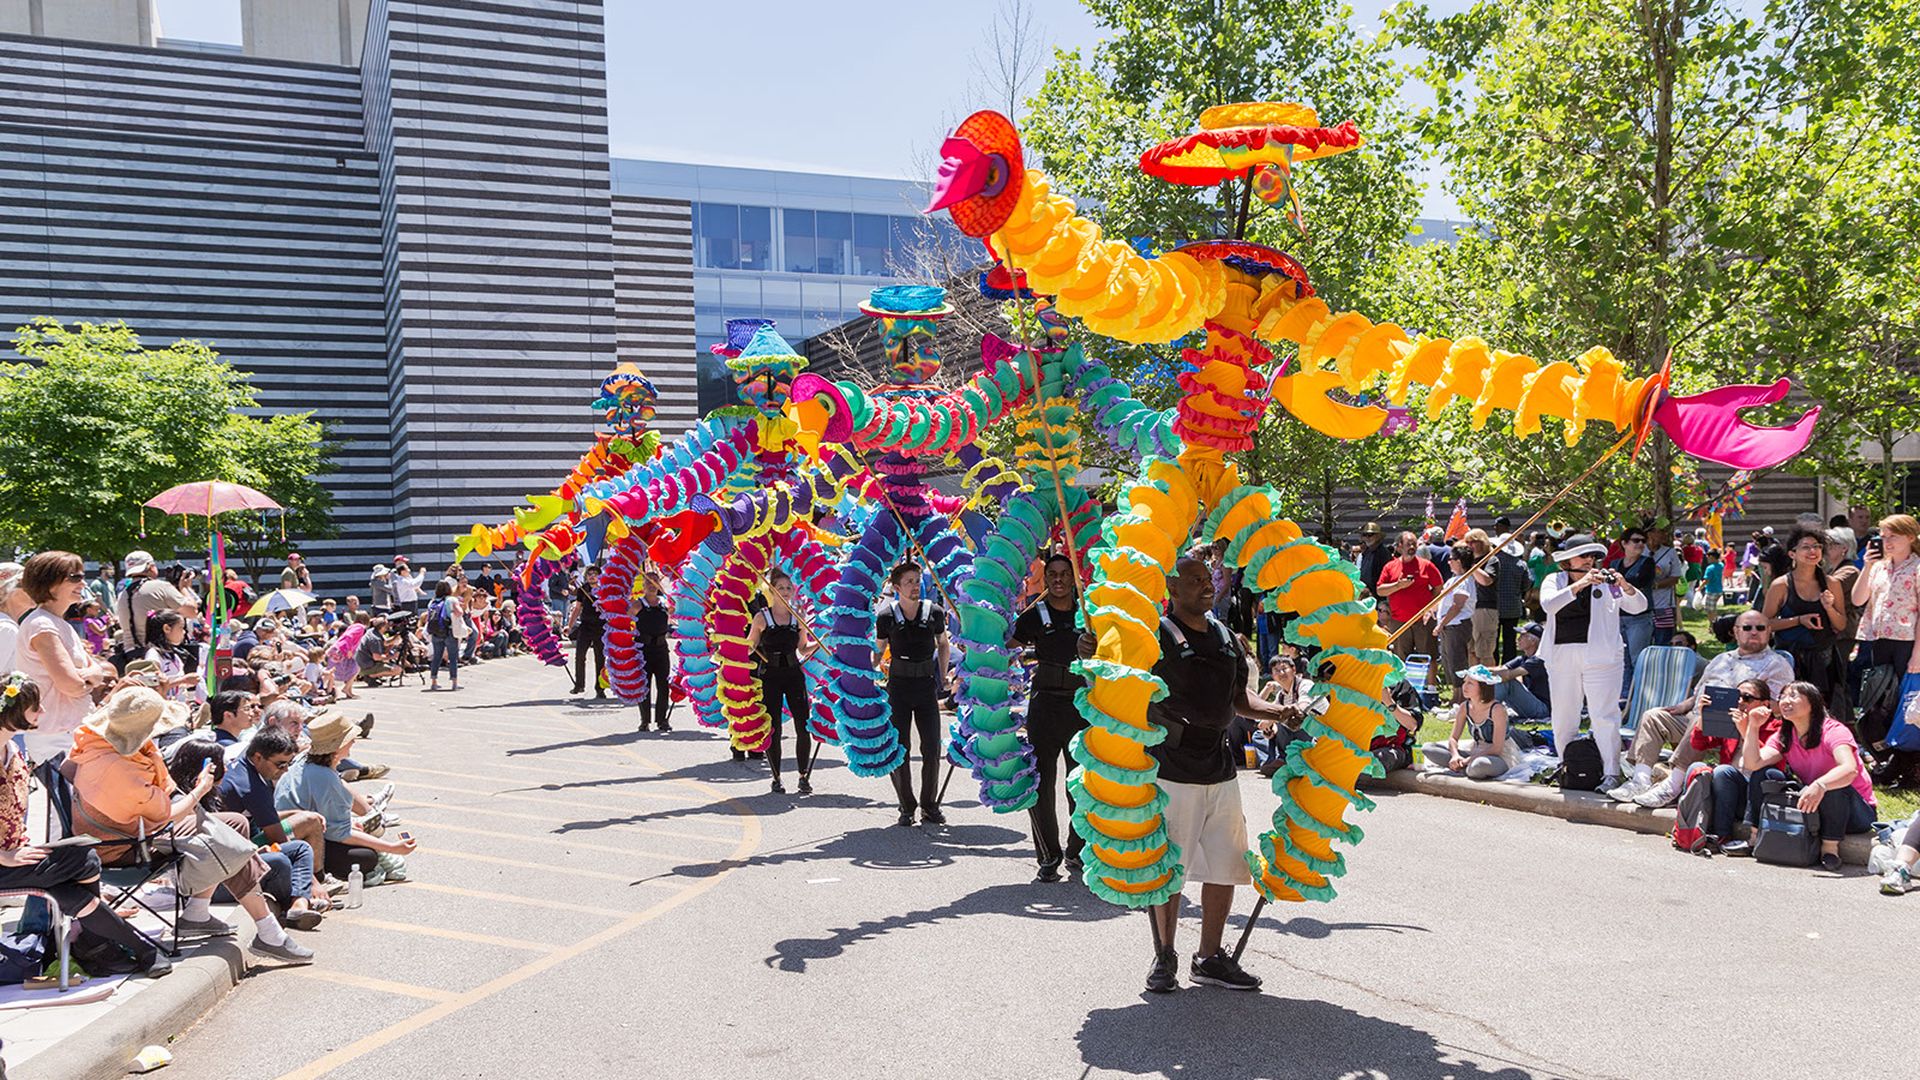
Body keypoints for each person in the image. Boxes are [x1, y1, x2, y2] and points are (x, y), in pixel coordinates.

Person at [1078, 555, 1293, 994]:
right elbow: (1117, 673)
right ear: (1171, 590)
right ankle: (1164, 955)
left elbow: (1237, 698)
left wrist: (1278, 711)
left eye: (1206, 578)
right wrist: (1094, 651)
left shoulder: (1227, 636)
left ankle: (1209, 958)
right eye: (1193, 580)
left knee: (1226, 865)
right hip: (1171, 767)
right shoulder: (1153, 635)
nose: (1205, 585)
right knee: (1168, 868)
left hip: (1220, 767)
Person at [67, 687, 314, 964]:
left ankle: (197, 912)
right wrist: (200, 790)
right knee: (227, 842)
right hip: (124, 845)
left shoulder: (97, 743)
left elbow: (69, 769)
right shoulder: (121, 769)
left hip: (131, 827)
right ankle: (269, 932)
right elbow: (166, 815)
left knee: (235, 824)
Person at [0, 675, 172, 977]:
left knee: (76, 876)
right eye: (35, 707)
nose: (42, 712)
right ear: (13, 711)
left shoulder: (12, 749)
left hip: (17, 854)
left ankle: (104, 948)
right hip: (5, 861)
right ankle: (120, 949)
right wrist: (3, 855)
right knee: (83, 858)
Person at [1610, 611, 1794, 805]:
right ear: (1736, 632)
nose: (1754, 632)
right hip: (1698, 718)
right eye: (1747, 628)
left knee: (1704, 718)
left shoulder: (1777, 665)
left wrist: (1740, 702)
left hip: (1738, 729)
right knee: (1653, 716)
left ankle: (1672, 785)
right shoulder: (1720, 660)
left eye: (1760, 628)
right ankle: (1640, 780)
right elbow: (1698, 693)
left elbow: (1778, 708)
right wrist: (1682, 706)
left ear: (1769, 632)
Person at [1727, 681, 1875, 871]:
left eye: (1793, 696)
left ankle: (1830, 849)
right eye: (1782, 697)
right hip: (1814, 805)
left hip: (1855, 812)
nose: (1785, 701)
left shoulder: (1833, 730)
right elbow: (1753, 763)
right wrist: (1753, 727)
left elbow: (1849, 769)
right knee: (1764, 774)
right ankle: (1755, 838)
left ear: (1813, 702)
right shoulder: (1785, 734)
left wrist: (1820, 784)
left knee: (1834, 784)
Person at [1539, 534, 1646, 787]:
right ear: (1568, 560)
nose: (1590, 561)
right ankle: (1568, 767)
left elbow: (1638, 606)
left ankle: (1611, 772)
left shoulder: (1606, 581)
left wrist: (1625, 586)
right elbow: (1548, 605)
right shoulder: (1554, 579)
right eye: (1584, 556)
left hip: (1603, 657)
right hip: (1562, 655)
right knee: (1564, 715)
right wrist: (1580, 585)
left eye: (1593, 556)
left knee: (1604, 715)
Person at [1009, 555, 1087, 881]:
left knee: (1081, 785)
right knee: (1041, 782)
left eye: (1064, 574)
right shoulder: (1035, 615)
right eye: (1052, 574)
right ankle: (1048, 855)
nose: (1057, 580)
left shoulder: (1089, 614)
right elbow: (1006, 645)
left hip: (1080, 705)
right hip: (1044, 703)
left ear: (1073, 578)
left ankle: (1077, 850)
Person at [275, 712, 414, 882]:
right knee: (366, 857)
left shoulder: (305, 761)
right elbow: (341, 834)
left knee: (363, 849)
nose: (354, 742)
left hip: (290, 832)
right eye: (350, 739)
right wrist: (392, 847)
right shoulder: (324, 776)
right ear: (337, 747)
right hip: (304, 840)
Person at [216, 726, 331, 926]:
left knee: (305, 820)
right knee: (298, 850)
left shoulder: (244, 768)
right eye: (280, 764)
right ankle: (303, 898)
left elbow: (265, 816)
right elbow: (277, 838)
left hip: (235, 847)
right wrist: (313, 882)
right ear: (259, 757)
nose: (285, 770)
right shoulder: (252, 787)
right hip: (229, 865)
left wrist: (295, 813)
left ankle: (301, 901)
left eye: (288, 764)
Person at [16, 551, 118, 762]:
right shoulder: (42, 625)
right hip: (55, 737)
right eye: (75, 577)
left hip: (71, 731)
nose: (83, 582)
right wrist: (90, 677)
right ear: (49, 582)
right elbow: (71, 685)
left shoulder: (58, 623)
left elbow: (97, 671)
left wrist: (90, 676)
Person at [876, 562, 950, 827]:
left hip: (926, 685)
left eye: (917, 581)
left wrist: (944, 677)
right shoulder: (886, 615)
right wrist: (858, 667)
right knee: (900, 749)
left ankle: (929, 805)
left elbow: (943, 644)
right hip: (898, 687)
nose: (915, 586)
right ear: (896, 588)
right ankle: (906, 805)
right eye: (909, 582)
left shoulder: (934, 612)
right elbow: (877, 652)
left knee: (931, 748)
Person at [747, 570, 817, 795]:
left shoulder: (797, 616)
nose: (786, 591)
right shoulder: (761, 617)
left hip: (794, 674)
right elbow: (750, 646)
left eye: (789, 587)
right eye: (782, 587)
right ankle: (776, 777)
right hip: (771, 675)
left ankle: (803, 776)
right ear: (772, 589)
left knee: (803, 725)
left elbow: (803, 648)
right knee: (773, 728)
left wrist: (820, 643)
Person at [1761, 526, 1846, 709]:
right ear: (1792, 554)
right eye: (1805, 547)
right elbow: (1765, 624)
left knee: (1822, 711)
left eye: (1817, 546)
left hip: (1824, 659)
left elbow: (1841, 624)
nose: (1812, 551)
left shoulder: (1832, 583)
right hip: (1790, 659)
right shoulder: (1781, 585)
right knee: (1791, 709)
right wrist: (1799, 620)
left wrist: (1829, 608)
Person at [1697, 678, 1786, 853]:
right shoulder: (1729, 721)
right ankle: (1721, 836)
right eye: (1737, 696)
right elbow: (1699, 744)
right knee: (1720, 771)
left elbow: (1764, 761)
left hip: (1759, 797)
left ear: (1765, 704)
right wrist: (1703, 716)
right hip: (1729, 793)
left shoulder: (1777, 728)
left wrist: (1746, 729)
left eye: (1747, 698)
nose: (1740, 702)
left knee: (1736, 771)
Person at [1421, 667, 1515, 779]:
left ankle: (1464, 768)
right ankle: (1461, 766)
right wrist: (1455, 755)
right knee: (1428, 748)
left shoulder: (1497, 710)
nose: (1464, 686)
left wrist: (1469, 760)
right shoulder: (1464, 707)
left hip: (1497, 756)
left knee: (1478, 766)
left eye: (1470, 683)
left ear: (1483, 687)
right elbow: (1453, 738)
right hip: (1473, 751)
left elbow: (1496, 748)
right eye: (1465, 682)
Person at [1376, 531, 1442, 681]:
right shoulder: (1390, 566)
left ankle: (1430, 688)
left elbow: (1439, 589)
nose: (1412, 547)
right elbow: (1380, 590)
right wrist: (1398, 585)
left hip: (1422, 620)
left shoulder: (1427, 566)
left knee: (1428, 654)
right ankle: (1403, 688)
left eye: (1414, 543)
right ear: (1399, 547)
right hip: (1399, 620)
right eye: (1408, 544)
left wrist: (1430, 608)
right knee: (1400, 657)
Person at [112, 550, 194, 659]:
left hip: (130, 655)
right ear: (151, 567)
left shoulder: (123, 594)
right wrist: (184, 588)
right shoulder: (160, 587)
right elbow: (192, 612)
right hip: (158, 656)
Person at [1608, 527, 1658, 687]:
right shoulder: (1615, 564)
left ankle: (1641, 694)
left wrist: (1622, 583)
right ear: (1624, 543)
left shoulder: (1648, 562)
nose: (1641, 544)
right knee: (1622, 660)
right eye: (1636, 540)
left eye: (1643, 541)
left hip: (1640, 619)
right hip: (1618, 617)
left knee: (1639, 659)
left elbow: (1642, 582)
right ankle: (1625, 696)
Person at [1432, 546, 1475, 700]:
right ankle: (1455, 696)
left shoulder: (1465, 580)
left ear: (1459, 561)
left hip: (1457, 625)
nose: (1448, 562)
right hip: (1448, 625)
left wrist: (1441, 623)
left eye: (1451, 559)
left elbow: (1457, 605)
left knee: (1457, 661)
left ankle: (1461, 698)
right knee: (1448, 660)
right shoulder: (1452, 580)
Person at [633, 574, 672, 731]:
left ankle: (662, 720)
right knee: (644, 685)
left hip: (661, 649)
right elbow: (622, 620)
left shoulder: (665, 603)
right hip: (644, 649)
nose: (651, 585)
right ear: (642, 585)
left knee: (663, 685)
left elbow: (677, 611)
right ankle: (645, 720)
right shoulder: (638, 605)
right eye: (648, 582)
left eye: (655, 582)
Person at [1490, 622, 1551, 721]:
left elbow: (1509, 675)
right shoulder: (1522, 658)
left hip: (1542, 709)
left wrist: (1484, 674)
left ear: (1533, 641)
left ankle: (1487, 711)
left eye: (1522, 636)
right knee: (1497, 679)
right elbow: (1501, 669)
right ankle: (1484, 709)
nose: (1518, 639)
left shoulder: (1539, 660)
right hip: (1530, 704)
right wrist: (1478, 670)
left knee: (1508, 682)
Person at [565, 566, 606, 698]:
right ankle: (579, 684)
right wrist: (569, 626)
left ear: (600, 576)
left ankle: (600, 688)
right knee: (580, 655)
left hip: (601, 627)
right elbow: (577, 609)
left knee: (600, 658)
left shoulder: (605, 590)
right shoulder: (582, 590)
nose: (592, 576)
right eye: (589, 574)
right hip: (586, 626)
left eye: (595, 574)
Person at [1462, 529, 1500, 669]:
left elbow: (1486, 580)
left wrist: (1472, 566)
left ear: (1482, 542)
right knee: (1471, 650)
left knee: (1485, 651)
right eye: (1467, 542)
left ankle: (1488, 687)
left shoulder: (1491, 559)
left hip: (1485, 608)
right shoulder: (1468, 561)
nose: (1469, 545)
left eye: (1473, 542)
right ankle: (1474, 683)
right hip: (1469, 607)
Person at [424, 579, 461, 692]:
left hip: (436, 632)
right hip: (449, 631)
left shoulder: (432, 602)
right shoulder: (452, 600)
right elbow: (459, 612)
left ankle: (434, 682)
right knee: (453, 657)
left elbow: (427, 618)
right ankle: (454, 682)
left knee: (437, 657)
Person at [354, 616, 400, 686]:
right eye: (387, 624)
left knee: (387, 662)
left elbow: (385, 642)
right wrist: (393, 656)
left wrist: (396, 637)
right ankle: (370, 676)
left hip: (362, 663)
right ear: (383, 626)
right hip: (365, 666)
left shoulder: (372, 631)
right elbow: (377, 657)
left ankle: (372, 675)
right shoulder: (375, 639)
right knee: (397, 670)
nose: (390, 625)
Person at [1356, 522, 1389, 600]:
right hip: (1366, 595)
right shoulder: (1366, 552)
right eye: (1364, 535)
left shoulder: (1383, 553)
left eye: (1370, 535)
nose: (1367, 537)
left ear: (1378, 536)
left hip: (1378, 597)